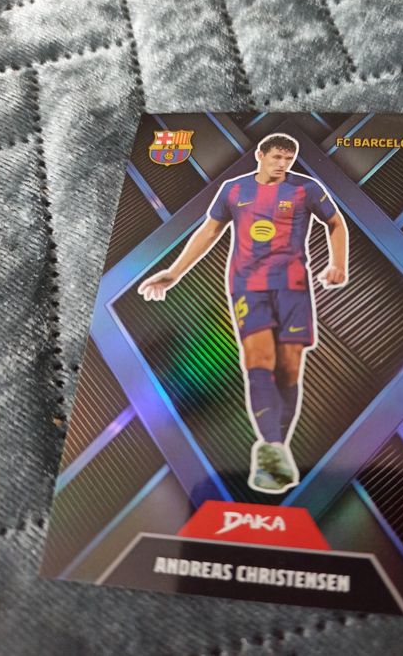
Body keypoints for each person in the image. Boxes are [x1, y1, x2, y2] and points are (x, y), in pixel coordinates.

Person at [138, 133, 349, 493]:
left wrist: (338, 263)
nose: (283, 164)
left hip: (293, 286)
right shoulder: (234, 190)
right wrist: (174, 273)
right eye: (277, 157)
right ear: (260, 155)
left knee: (289, 368)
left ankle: (277, 448)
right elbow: (209, 232)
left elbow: (335, 223)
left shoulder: (306, 189)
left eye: (289, 159)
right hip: (247, 286)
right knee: (259, 359)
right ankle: (271, 448)